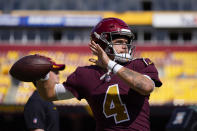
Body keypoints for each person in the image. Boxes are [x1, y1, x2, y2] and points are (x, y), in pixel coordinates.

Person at [35, 17, 162, 131]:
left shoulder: (139, 65)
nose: (125, 46)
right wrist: (42, 75)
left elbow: (146, 87)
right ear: (100, 44)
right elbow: (49, 93)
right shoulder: (86, 74)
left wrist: (110, 64)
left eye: (126, 42)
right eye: (119, 42)